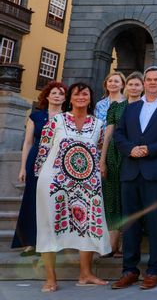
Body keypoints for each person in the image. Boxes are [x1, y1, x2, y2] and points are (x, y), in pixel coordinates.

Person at [111, 66, 157, 291]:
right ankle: (130, 270)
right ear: (144, 83)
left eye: (156, 79)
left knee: (155, 222)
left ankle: (154, 270)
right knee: (130, 223)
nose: (152, 82)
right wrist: (131, 150)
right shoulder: (131, 108)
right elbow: (119, 134)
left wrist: (149, 149)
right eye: (148, 79)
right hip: (131, 170)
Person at [35, 82, 109, 292]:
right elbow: (43, 150)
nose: (80, 97)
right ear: (70, 98)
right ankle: (50, 278)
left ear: (90, 98)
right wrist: (40, 178)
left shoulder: (98, 125)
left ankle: (85, 274)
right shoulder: (56, 121)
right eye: (76, 94)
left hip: (86, 182)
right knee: (49, 225)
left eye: (85, 94)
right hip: (54, 181)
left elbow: (100, 148)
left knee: (87, 225)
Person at [12, 81, 65, 257]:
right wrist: (22, 168)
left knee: (55, 201)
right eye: (54, 93)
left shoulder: (67, 117)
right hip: (36, 161)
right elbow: (27, 143)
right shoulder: (36, 116)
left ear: (65, 98)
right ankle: (29, 242)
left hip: (58, 163)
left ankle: (51, 241)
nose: (57, 96)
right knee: (31, 200)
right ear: (47, 96)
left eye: (61, 93)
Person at [100, 71, 144, 258]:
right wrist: (102, 160)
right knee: (112, 200)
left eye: (137, 84)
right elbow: (108, 135)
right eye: (131, 84)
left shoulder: (146, 107)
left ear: (142, 87)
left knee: (132, 200)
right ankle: (112, 244)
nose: (133, 88)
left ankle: (129, 244)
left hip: (135, 156)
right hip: (114, 156)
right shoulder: (117, 107)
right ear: (126, 87)